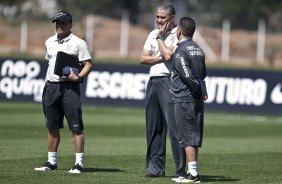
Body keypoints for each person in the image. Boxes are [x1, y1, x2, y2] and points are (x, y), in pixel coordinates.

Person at [34, 10, 93, 174]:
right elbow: (50, 62)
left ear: (71, 25)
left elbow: (88, 64)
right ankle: (51, 162)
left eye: (63, 23)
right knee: (52, 126)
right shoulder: (49, 41)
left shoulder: (78, 43)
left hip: (69, 88)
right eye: (57, 23)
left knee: (76, 127)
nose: (60, 26)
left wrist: (78, 77)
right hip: (51, 87)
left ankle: (79, 164)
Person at [139, 3, 186, 177]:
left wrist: (159, 40)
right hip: (153, 81)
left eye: (163, 17)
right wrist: (161, 51)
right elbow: (143, 59)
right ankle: (155, 169)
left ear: (172, 18)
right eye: (157, 17)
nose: (159, 20)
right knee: (154, 128)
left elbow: (169, 57)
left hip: (169, 81)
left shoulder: (179, 33)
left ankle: (180, 170)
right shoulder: (153, 33)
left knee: (174, 128)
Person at [170, 17, 208, 183]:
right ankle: (190, 172)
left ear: (179, 30)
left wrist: (197, 89)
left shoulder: (181, 51)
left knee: (187, 135)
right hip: (196, 98)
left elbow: (187, 76)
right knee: (193, 135)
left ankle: (193, 175)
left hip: (185, 98)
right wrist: (201, 90)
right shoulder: (198, 49)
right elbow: (203, 74)